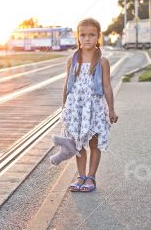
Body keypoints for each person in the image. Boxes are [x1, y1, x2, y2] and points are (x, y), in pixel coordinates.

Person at [61, 18, 118, 193]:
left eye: (92, 35)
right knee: (78, 144)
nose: (87, 39)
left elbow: (107, 86)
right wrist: (64, 107)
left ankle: (91, 177)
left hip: (94, 109)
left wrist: (111, 109)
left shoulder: (102, 62)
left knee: (94, 144)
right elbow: (67, 84)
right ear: (78, 37)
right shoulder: (73, 60)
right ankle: (80, 175)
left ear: (98, 36)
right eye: (83, 35)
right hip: (76, 109)